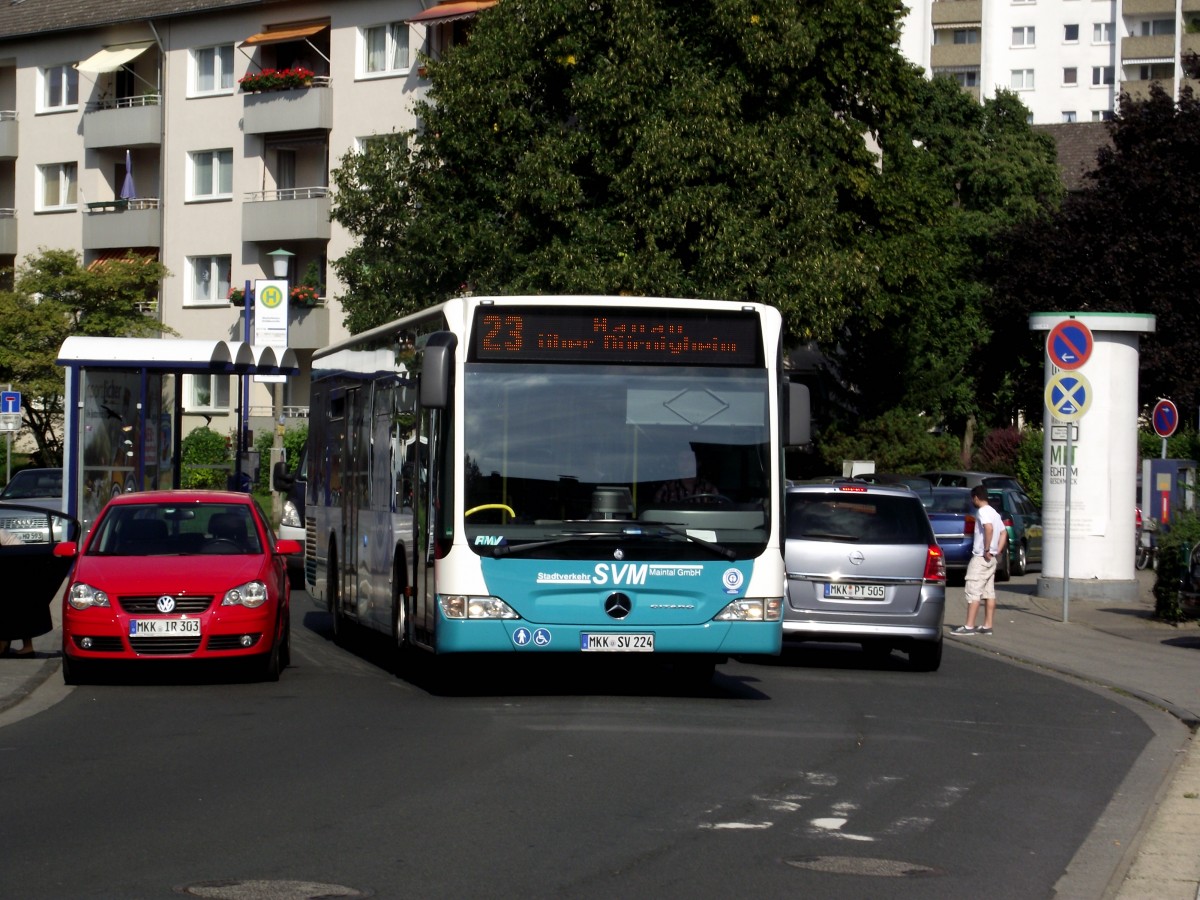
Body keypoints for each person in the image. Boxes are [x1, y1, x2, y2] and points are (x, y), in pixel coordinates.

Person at [951, 486, 1008, 636]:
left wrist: (987, 549)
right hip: (992, 559)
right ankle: (987, 625)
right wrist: (997, 550)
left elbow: (988, 528)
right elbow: (1003, 533)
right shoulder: (994, 513)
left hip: (981, 557)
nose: (972, 501)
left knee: (973, 590)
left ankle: (969, 626)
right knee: (989, 592)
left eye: (972, 498)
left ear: (976, 497)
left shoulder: (982, 512)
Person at [0, 528, 41, 658]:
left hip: (18, 565)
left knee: (14, 607)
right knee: (19, 608)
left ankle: (5, 644)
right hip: (20, 564)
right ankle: (19, 645)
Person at [655, 447, 719, 503]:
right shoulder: (667, 489)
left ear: (698, 463)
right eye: (682, 459)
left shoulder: (709, 489)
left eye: (689, 459)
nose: (685, 463)